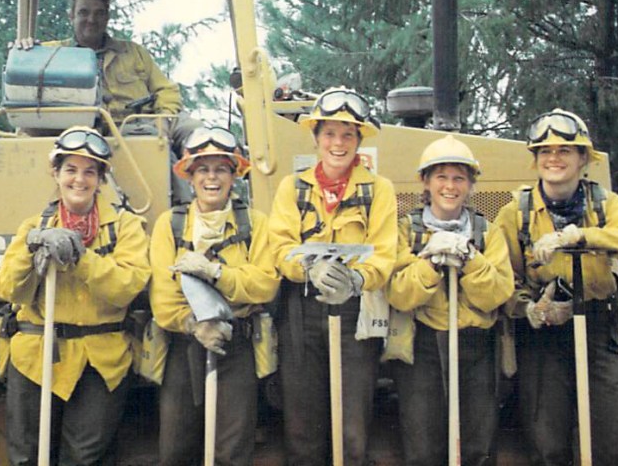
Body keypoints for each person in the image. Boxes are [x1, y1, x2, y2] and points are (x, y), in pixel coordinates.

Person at [493, 108, 618, 466]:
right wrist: (529, 309)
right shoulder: (516, 212)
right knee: (548, 444)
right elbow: (504, 278)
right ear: (535, 160)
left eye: (565, 150)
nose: (554, 158)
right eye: (545, 151)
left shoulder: (603, 204)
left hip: (597, 328)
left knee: (615, 443)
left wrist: (582, 236)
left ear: (583, 158)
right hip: (543, 334)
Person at [0, 126, 151, 465]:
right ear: (56, 172)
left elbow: (127, 286)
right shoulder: (32, 225)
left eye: (89, 172)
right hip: (37, 354)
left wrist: (80, 258)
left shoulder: (124, 227)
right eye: (71, 170)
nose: (79, 180)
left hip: (100, 358)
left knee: (83, 458)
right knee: (27, 456)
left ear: (101, 179)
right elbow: (10, 289)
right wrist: (33, 247)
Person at [269, 87, 398, 466]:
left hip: (354, 315)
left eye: (347, 134)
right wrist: (309, 267)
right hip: (301, 313)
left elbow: (385, 252)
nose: (337, 143)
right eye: (329, 133)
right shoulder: (292, 188)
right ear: (315, 137)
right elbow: (280, 248)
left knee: (352, 428)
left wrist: (357, 281)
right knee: (302, 428)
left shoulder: (379, 190)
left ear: (359, 140)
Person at [148, 126, 280, 466]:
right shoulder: (170, 225)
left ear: (234, 175)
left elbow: (265, 283)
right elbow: (163, 298)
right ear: (189, 176)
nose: (212, 177)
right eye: (203, 169)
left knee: (232, 451)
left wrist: (217, 273)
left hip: (237, 344)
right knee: (176, 450)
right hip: (185, 345)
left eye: (221, 168)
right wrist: (194, 324)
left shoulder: (255, 224)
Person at [387, 134, 514, 466]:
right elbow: (399, 294)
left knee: (477, 448)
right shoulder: (406, 230)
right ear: (425, 182)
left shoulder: (488, 232)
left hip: (476, 346)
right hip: (423, 346)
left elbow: (498, 294)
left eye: (459, 178)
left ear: (470, 185)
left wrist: (470, 258)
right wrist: (430, 264)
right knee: (423, 448)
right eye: (441, 176)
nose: (450, 186)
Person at [18, 0, 200, 157]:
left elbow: (166, 89)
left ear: (107, 18)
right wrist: (24, 51)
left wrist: (165, 119)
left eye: (99, 13)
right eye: (84, 12)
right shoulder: (51, 54)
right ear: (71, 16)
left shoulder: (134, 53)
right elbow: (23, 80)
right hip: (79, 129)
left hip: (139, 123)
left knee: (196, 133)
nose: (91, 19)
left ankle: (203, 185)